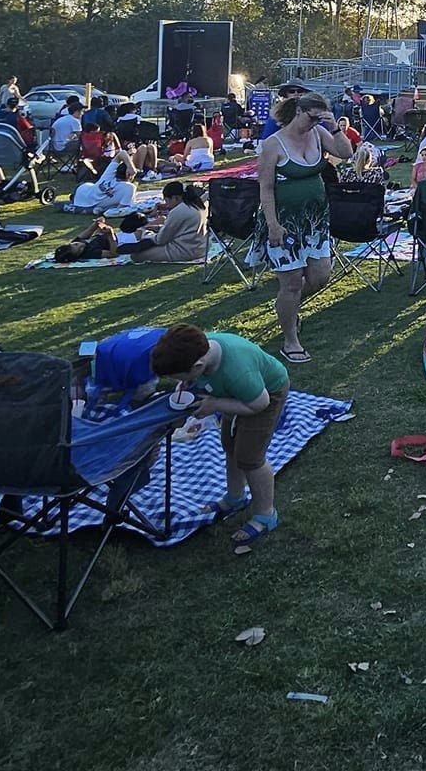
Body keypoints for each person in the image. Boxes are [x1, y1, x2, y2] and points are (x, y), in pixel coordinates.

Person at [148, 324, 290, 548]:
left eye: (180, 376)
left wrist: (215, 404)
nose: (180, 381)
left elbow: (258, 404)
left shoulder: (238, 372)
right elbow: (194, 378)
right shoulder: (200, 349)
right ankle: (236, 498)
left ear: (198, 366)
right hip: (234, 394)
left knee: (250, 458)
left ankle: (266, 514)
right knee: (230, 446)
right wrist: (186, 384)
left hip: (264, 396)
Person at [258, 91, 351, 365]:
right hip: (284, 223)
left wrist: (333, 126)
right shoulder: (273, 144)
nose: (314, 124)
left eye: (319, 119)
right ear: (298, 112)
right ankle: (290, 340)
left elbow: (346, 153)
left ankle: (288, 307)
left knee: (320, 277)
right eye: (312, 118)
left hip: (314, 221)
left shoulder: (320, 134)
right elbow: (265, 188)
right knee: (290, 284)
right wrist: (273, 225)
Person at [131, 183, 209, 263]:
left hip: (184, 251)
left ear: (175, 198)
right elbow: (185, 229)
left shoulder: (178, 211)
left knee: (136, 256)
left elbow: (161, 240)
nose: (167, 205)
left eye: (167, 201)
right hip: (201, 249)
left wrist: (147, 233)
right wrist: (159, 228)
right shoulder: (199, 205)